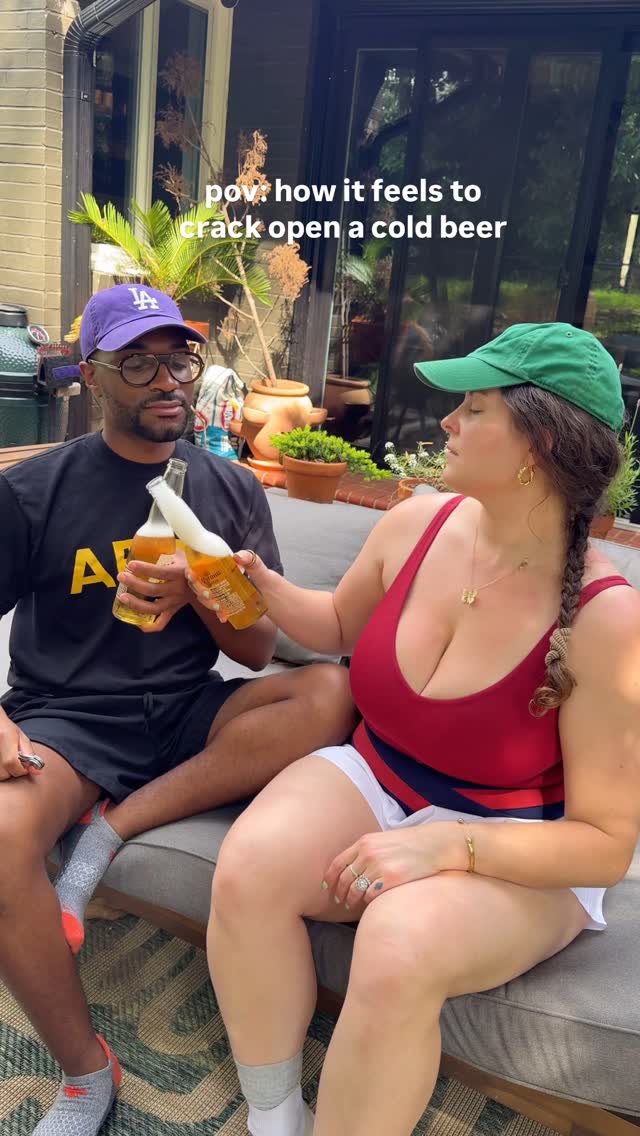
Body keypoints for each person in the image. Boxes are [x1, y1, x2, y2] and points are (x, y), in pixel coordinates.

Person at [192, 323, 640, 1136]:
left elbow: (606, 844)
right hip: (382, 777)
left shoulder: (607, 620)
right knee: (249, 868)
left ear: (540, 443)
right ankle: (274, 1118)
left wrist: (447, 847)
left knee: (398, 943)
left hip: (521, 841)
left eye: (475, 408)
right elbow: (335, 625)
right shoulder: (415, 523)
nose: (446, 422)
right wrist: (253, 580)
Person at [0, 283, 356, 1136]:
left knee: (330, 692)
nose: (167, 380)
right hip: (69, 720)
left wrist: (203, 590)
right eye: (137, 363)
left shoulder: (227, 488)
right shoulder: (34, 490)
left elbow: (257, 652)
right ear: (91, 376)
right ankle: (86, 1074)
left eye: (179, 359)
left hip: (189, 711)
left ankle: (108, 834)